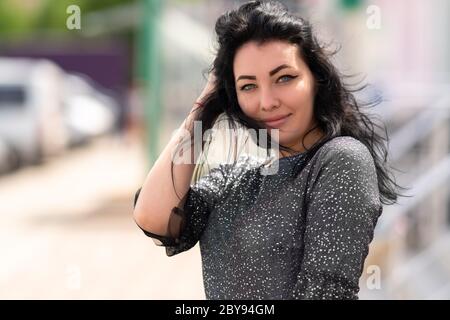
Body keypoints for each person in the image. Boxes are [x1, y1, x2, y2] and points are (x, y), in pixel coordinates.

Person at [133, 0, 400, 300]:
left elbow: (324, 293)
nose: (267, 101)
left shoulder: (340, 160)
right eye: (248, 86)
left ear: (315, 79)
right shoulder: (235, 179)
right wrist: (202, 110)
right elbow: (152, 216)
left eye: (284, 78)